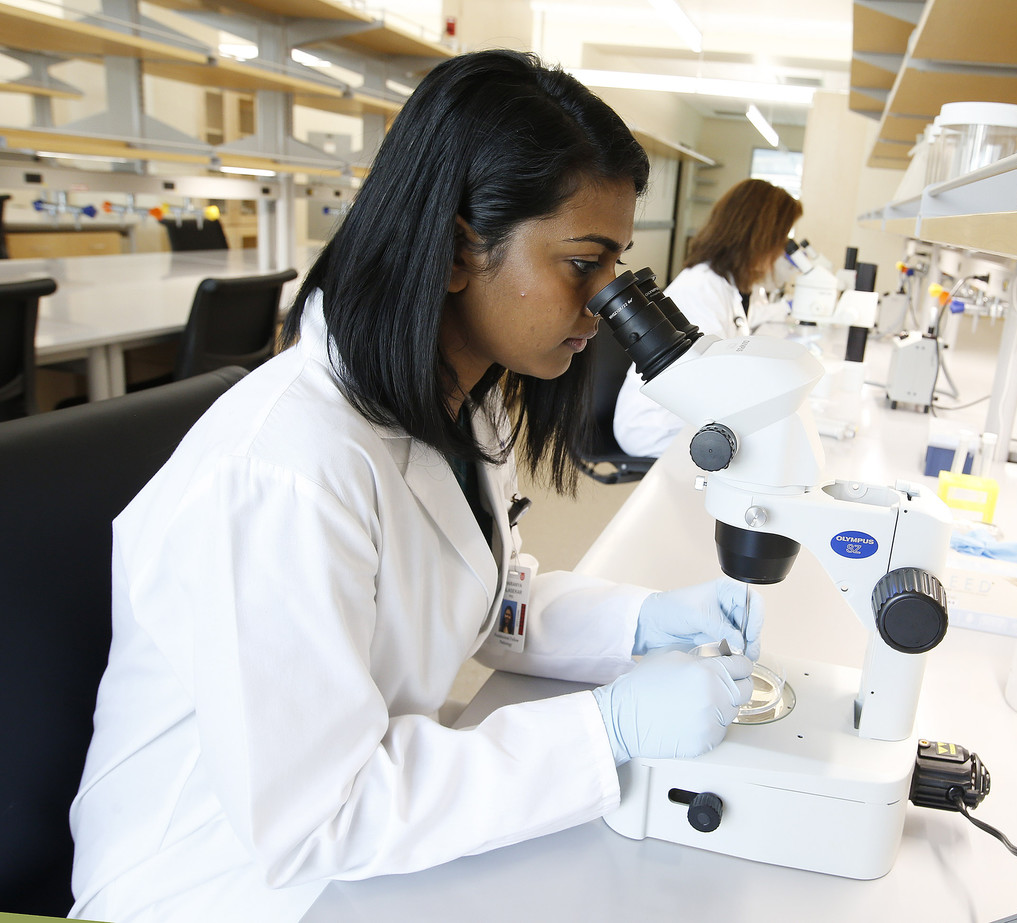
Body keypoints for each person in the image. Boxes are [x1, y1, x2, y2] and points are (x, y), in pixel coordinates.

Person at [69, 50, 763, 923]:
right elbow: (317, 816)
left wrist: (643, 622)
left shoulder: (456, 408)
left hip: (357, 849)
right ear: (454, 251)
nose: (604, 305)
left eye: (614, 265)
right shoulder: (284, 470)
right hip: (218, 885)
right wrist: (604, 731)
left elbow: (470, 595)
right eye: (582, 262)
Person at [612, 178, 803, 458]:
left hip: (691, 412)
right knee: (771, 452)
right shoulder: (701, 287)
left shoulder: (731, 284)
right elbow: (711, 383)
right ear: (761, 237)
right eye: (780, 238)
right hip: (656, 425)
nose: (781, 250)